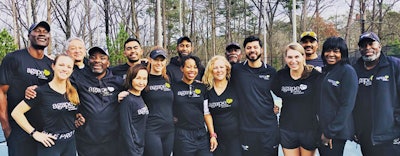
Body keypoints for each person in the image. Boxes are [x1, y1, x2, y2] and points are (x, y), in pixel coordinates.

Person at [0, 21, 53, 156]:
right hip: (18, 130)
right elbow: (1, 92)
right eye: (37, 30)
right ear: (29, 35)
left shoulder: (51, 65)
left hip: (44, 132)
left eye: (45, 31)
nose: (42, 33)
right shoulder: (13, 58)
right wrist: (6, 127)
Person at [11, 55, 80, 156]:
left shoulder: (73, 91)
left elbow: (70, 113)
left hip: (70, 143)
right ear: (53, 66)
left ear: (72, 70)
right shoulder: (41, 91)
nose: (65, 69)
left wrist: (78, 117)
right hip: (50, 145)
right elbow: (16, 113)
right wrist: (34, 133)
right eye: (61, 65)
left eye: (69, 67)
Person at [230, 35, 279, 156]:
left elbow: (282, 91)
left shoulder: (271, 71)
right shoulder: (236, 70)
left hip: (268, 128)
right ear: (244, 50)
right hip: (246, 128)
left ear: (261, 49)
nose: (252, 50)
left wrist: (279, 106)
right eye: (249, 47)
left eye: (255, 47)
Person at [352, 32, 400, 156]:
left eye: (371, 43)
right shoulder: (354, 70)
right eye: (363, 45)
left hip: (391, 135)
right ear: (360, 49)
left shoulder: (394, 66)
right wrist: (355, 129)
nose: (367, 48)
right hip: (365, 136)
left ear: (379, 46)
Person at [73, 46, 124, 156]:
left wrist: (126, 93)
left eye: (102, 57)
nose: (97, 60)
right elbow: (60, 90)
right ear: (88, 61)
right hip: (86, 142)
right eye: (93, 57)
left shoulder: (118, 82)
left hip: (112, 142)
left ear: (108, 63)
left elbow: (138, 88)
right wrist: (76, 113)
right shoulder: (78, 78)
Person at [271, 43, 320, 156]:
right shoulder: (280, 76)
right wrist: (271, 106)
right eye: (290, 57)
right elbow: (271, 92)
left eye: (297, 56)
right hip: (287, 129)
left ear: (303, 57)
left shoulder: (314, 76)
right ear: (285, 58)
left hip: (309, 130)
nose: (293, 60)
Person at [318, 37, 358, 156]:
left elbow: (347, 105)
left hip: (335, 132)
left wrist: (330, 132)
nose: (331, 54)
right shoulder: (326, 71)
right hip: (323, 128)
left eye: (336, 51)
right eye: (328, 51)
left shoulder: (347, 71)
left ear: (342, 53)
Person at [172, 55, 217, 156]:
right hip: (183, 135)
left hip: (201, 134)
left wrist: (212, 135)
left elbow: (206, 113)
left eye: (195, 67)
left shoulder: (202, 87)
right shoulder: (174, 87)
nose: (192, 70)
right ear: (182, 68)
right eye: (188, 67)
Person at [202, 55, 241, 156]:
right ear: (211, 71)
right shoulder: (207, 90)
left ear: (227, 69)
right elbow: (206, 114)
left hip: (235, 138)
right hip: (215, 139)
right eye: (215, 68)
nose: (219, 70)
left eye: (221, 67)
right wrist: (212, 135)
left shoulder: (235, 86)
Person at [142, 47, 175, 156]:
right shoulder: (144, 79)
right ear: (150, 60)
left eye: (162, 60)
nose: (159, 63)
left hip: (169, 130)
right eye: (156, 60)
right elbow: (133, 93)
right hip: (151, 130)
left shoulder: (168, 79)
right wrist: (123, 94)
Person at [119, 64, 149, 156]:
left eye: (144, 79)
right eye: (138, 78)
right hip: (131, 150)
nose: (141, 82)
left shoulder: (140, 97)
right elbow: (126, 130)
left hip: (140, 146)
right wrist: (133, 152)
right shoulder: (127, 100)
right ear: (131, 79)